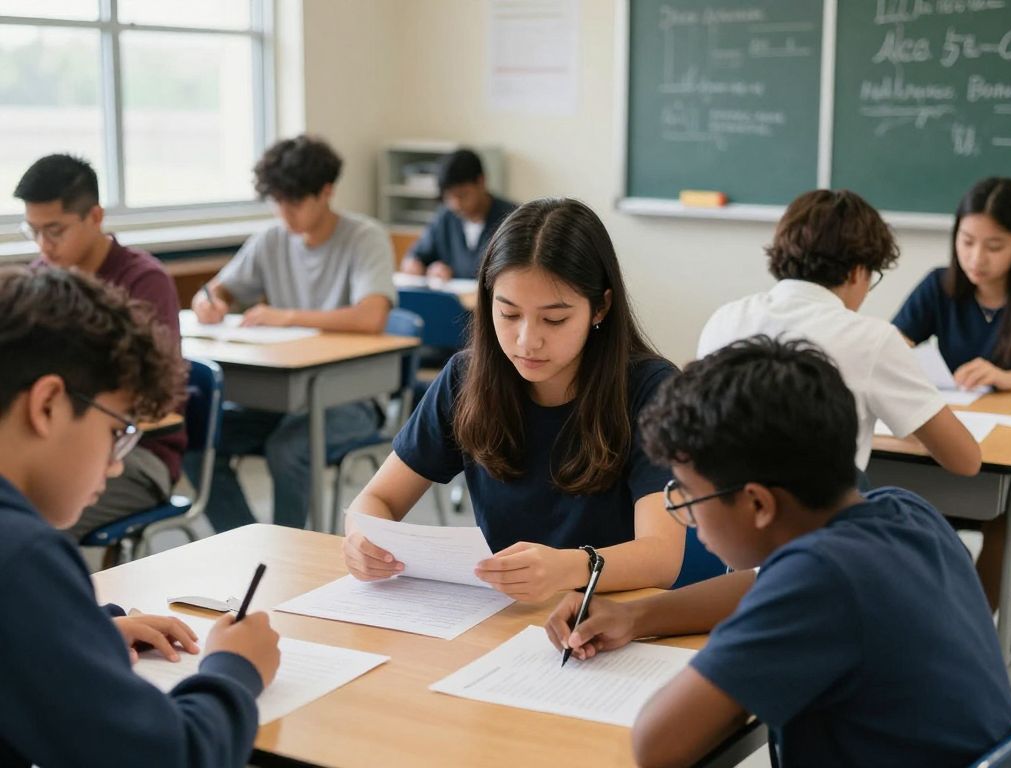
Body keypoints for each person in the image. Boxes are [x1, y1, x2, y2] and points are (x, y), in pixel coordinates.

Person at [545, 336, 1011, 768]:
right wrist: (637, 616)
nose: (683, 513)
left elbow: (655, 745)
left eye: (688, 497)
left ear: (757, 504)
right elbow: (758, 584)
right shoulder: (903, 511)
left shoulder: (819, 584)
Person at [0, 267, 281, 768]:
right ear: (46, 405)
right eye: (118, 431)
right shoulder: (23, 555)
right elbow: (174, 757)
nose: (116, 463)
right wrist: (235, 668)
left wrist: (83, 634)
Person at [344, 198, 686, 602]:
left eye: (554, 319)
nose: (527, 341)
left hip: (607, 620)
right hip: (503, 616)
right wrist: (362, 539)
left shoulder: (652, 391)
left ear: (601, 307)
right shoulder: (465, 378)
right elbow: (377, 498)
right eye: (508, 314)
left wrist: (568, 568)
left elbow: (662, 558)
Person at [698, 188, 981, 478]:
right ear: (858, 272)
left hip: (719, 513)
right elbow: (966, 460)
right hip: (818, 518)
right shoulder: (872, 339)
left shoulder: (725, 318)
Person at [190, 134, 396, 531]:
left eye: (295, 202)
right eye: (277, 201)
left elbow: (373, 317)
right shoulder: (270, 240)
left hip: (349, 396)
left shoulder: (364, 237)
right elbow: (218, 288)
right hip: (280, 396)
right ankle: (248, 542)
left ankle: (286, 553)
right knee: (197, 439)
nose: (285, 213)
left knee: (288, 450)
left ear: (326, 192)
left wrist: (287, 317)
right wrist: (209, 301)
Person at [13, 153, 186, 542]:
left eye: (55, 230)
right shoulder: (41, 280)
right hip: (52, 440)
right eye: (33, 231)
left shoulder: (143, 282)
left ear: (95, 217)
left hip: (132, 453)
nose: (44, 245)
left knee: (27, 528)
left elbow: (155, 398)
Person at [893, 177, 1011, 610]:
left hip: (1008, 454)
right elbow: (891, 348)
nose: (976, 258)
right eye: (966, 241)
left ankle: (978, 627)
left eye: (994, 245)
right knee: (900, 504)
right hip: (956, 437)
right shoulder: (940, 286)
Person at [399, 148, 517, 280]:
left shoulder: (512, 219)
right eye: (449, 197)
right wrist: (426, 269)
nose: (456, 204)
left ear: (481, 182)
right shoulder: (445, 217)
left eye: (462, 195)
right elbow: (414, 259)